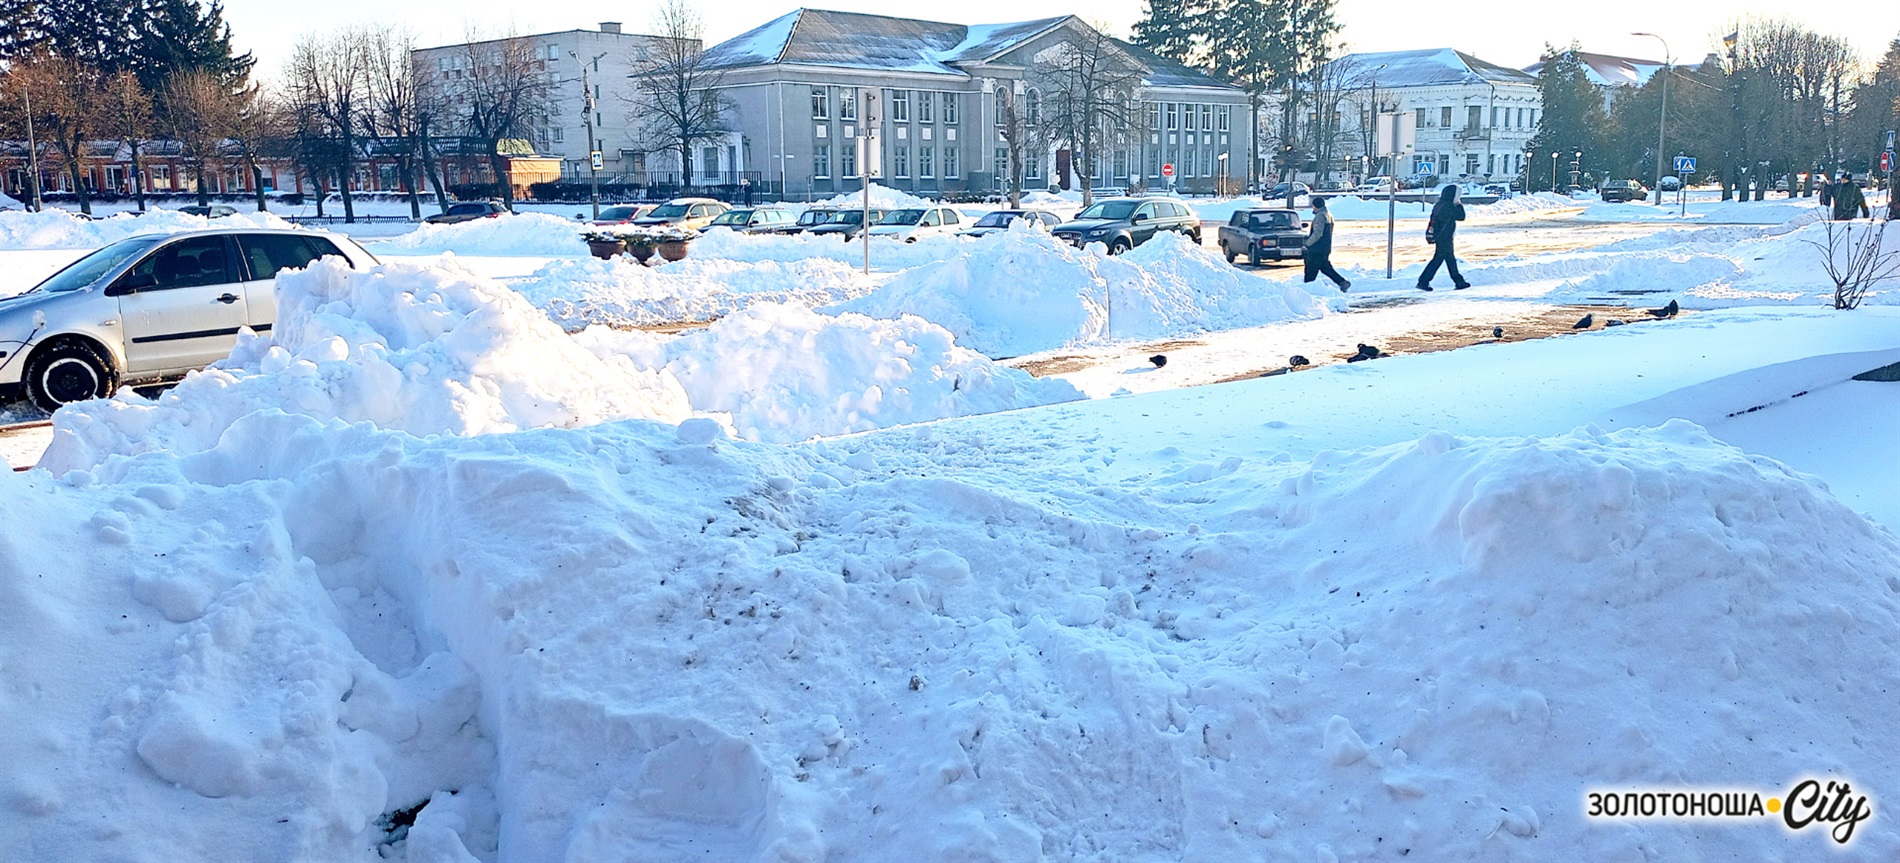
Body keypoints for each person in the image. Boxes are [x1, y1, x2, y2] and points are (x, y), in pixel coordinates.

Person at [1417, 185, 1469, 291]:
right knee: (1439, 260)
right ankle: (1423, 281)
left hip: (1441, 236)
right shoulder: (1448, 206)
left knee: (1449, 259)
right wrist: (1459, 205)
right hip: (1444, 237)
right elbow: (1461, 216)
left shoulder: (1439, 204)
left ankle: (1459, 281)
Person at [1302, 197, 1350, 292]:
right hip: (1324, 248)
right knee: (1325, 268)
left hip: (1317, 248)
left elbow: (1317, 233)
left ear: (1315, 206)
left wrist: (1308, 243)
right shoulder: (1328, 214)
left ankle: (1307, 290)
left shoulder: (1320, 216)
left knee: (1311, 269)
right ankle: (1342, 282)